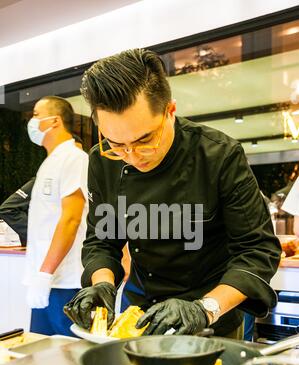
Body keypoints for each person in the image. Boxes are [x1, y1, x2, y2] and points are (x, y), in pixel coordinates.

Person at [64, 49, 281, 338]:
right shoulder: (103, 162)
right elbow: (103, 240)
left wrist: (204, 309)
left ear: (170, 111)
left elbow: (257, 250)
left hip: (211, 319)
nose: (131, 156)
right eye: (116, 143)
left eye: (144, 140)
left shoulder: (218, 155)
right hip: (139, 316)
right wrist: (102, 284)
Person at [24, 96, 88, 336]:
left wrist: (45, 273)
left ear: (55, 121)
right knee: (39, 352)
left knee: (66, 355)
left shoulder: (74, 158)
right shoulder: (50, 162)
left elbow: (71, 219)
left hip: (65, 281)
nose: (32, 121)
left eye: (37, 114)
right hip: (46, 279)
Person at [0, 136, 84, 247]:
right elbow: (8, 209)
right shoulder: (43, 182)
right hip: (48, 252)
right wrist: (41, 236)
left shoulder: (84, 183)